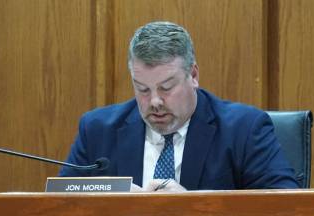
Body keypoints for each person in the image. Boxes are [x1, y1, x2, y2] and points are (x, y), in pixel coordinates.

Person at [60, 21, 298, 191]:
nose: (154, 101)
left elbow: (285, 208)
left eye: (166, 87)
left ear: (193, 75)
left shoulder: (244, 129)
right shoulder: (97, 131)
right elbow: (58, 209)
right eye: (142, 89)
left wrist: (193, 210)